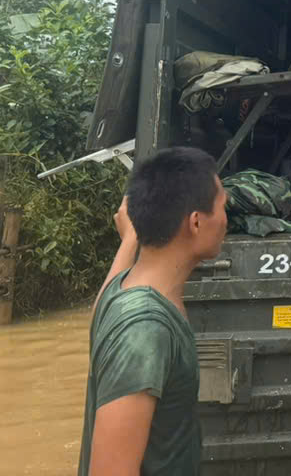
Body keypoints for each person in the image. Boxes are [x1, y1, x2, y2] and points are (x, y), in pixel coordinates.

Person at [78, 146, 229, 476]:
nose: (226, 220)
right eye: (223, 207)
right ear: (196, 222)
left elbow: (100, 308)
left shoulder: (123, 292)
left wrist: (131, 238)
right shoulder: (145, 332)